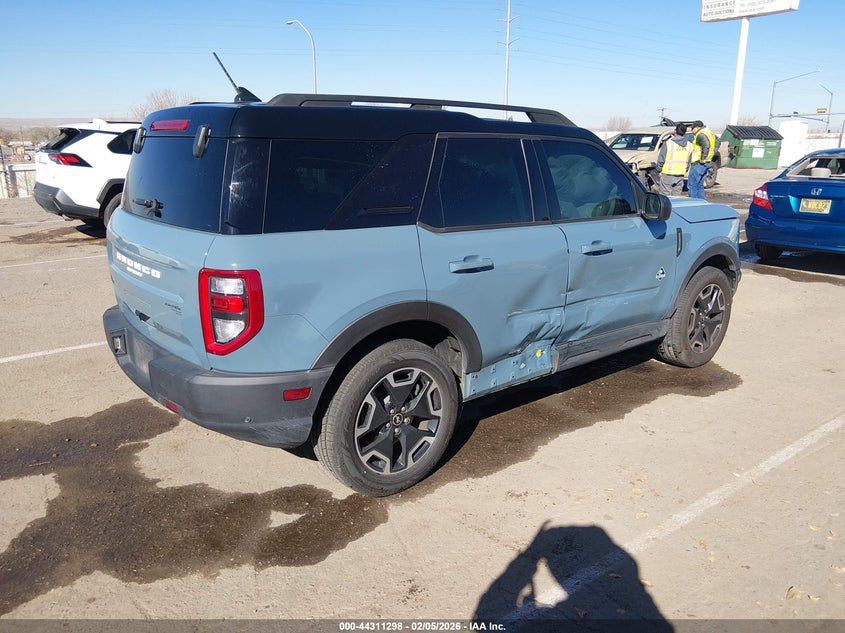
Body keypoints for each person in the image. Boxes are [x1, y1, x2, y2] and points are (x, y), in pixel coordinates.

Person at [655, 124, 692, 196]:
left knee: (665, 197)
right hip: (680, 174)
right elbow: (689, 161)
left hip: (667, 174)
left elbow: (661, 159)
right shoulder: (689, 145)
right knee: (676, 197)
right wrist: (685, 170)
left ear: (675, 131)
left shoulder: (668, 143)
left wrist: (659, 170)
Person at [688, 120, 717, 199]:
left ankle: (692, 203)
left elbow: (706, 145)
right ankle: (701, 202)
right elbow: (718, 142)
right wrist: (713, 153)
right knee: (700, 185)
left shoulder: (701, 134)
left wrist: (703, 158)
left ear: (697, 128)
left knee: (692, 185)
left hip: (699, 163)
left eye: (692, 128)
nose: (692, 131)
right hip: (707, 162)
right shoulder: (710, 132)